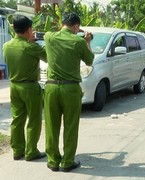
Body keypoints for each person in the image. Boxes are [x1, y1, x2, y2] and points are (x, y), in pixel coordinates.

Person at [44, 13, 94, 172]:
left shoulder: (49, 37)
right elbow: (89, 61)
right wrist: (87, 42)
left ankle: (52, 161)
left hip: (51, 88)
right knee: (70, 126)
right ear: (76, 26)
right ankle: (67, 162)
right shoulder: (79, 42)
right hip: (71, 89)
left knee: (51, 126)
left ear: (62, 23)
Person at [2, 15, 47, 161]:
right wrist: (36, 43)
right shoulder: (31, 47)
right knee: (34, 119)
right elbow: (48, 57)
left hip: (14, 86)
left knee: (17, 119)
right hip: (30, 87)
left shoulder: (6, 46)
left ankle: (17, 150)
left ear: (14, 28)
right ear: (29, 29)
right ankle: (31, 151)